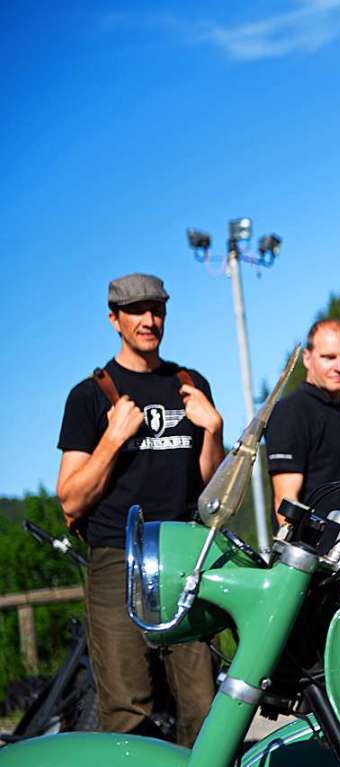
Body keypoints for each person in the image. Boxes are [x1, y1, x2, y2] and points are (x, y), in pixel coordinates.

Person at [56, 273, 223, 746]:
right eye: (136, 312)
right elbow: (70, 497)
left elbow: (211, 489)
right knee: (128, 707)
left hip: (183, 555)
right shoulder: (88, 397)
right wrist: (112, 437)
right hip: (117, 557)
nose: (149, 320)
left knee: (205, 704)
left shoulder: (191, 384)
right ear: (114, 319)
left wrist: (213, 430)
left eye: (157, 310)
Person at [266, 319, 340, 522]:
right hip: (318, 552)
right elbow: (285, 504)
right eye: (328, 357)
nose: (339, 367)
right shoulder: (291, 411)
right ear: (307, 358)